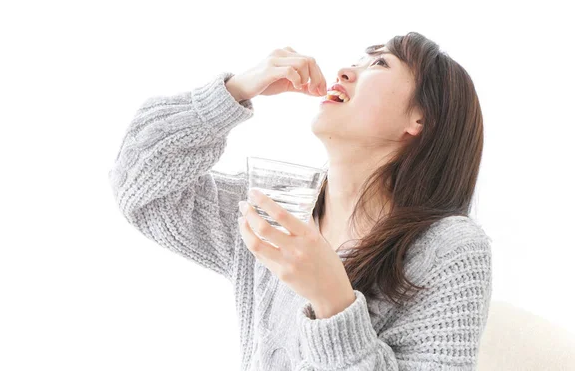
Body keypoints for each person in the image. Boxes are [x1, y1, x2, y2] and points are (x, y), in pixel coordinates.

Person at [108, 31, 492, 370]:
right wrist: (234, 91)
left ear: (420, 119)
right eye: (358, 58)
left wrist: (334, 303)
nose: (345, 71)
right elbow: (140, 186)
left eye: (379, 63)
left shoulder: (450, 250)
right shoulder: (274, 213)